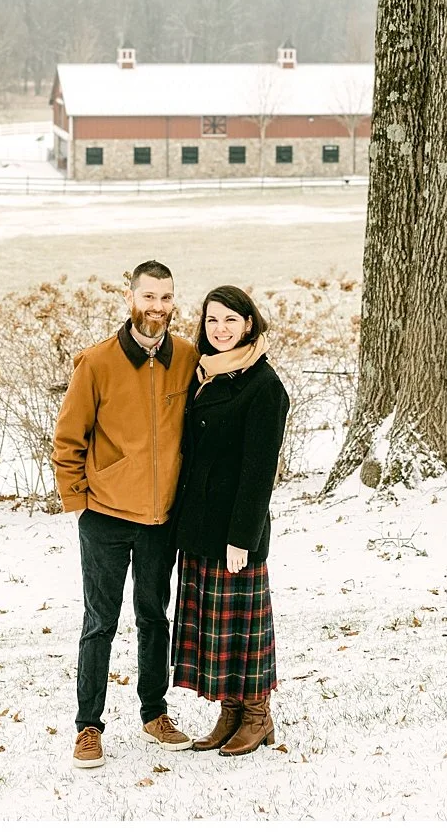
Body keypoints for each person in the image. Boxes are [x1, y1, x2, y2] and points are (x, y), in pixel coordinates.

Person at [51, 260, 199, 770]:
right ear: (130, 297)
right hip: (106, 517)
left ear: (173, 301)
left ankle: (154, 713)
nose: (157, 307)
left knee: (155, 618)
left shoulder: (187, 357)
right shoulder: (96, 362)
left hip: (161, 518)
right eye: (148, 296)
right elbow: (67, 441)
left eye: (165, 297)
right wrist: (79, 503)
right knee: (100, 623)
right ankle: (88, 727)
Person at [167, 284, 290, 757]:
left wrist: (242, 536)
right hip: (199, 526)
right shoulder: (206, 374)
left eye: (231, 321)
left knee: (241, 626)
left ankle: (257, 714)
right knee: (216, 629)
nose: (220, 330)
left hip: (235, 533)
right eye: (212, 320)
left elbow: (258, 472)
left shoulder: (263, 386)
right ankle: (230, 712)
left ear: (249, 325)